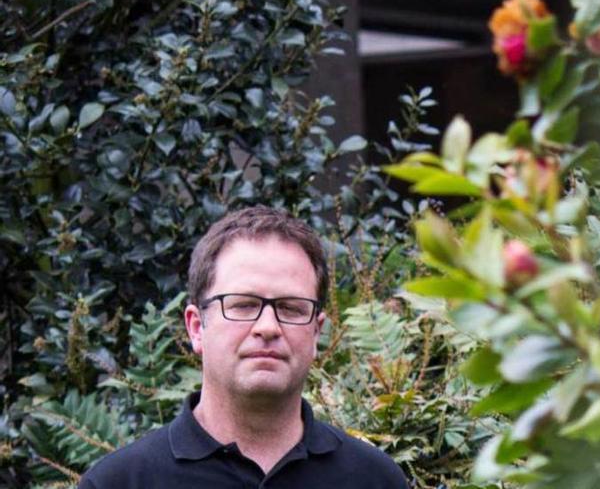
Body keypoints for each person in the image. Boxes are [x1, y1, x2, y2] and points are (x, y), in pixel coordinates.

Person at [79, 205, 409, 488]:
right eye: (243, 305)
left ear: (316, 333)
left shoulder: (376, 480)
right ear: (196, 327)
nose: (268, 327)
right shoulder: (118, 482)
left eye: (291, 308)